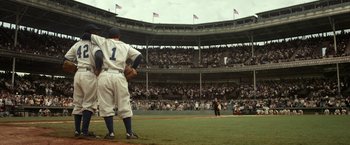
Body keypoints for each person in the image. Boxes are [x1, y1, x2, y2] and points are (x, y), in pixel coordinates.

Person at [83, 27, 142, 139]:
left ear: (108, 36)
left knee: (106, 105)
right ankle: (129, 133)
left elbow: (86, 35)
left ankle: (111, 133)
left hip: (104, 75)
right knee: (124, 104)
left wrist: (95, 38)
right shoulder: (125, 46)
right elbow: (139, 56)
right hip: (119, 75)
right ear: (119, 36)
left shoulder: (103, 41)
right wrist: (133, 68)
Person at [64, 24, 103, 138]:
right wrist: (98, 69)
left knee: (78, 104)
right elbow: (99, 57)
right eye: (96, 31)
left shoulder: (77, 44)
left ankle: (77, 131)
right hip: (89, 74)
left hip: (78, 74)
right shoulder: (94, 44)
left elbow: (66, 59)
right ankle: (84, 132)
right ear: (91, 32)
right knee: (89, 104)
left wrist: (75, 67)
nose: (97, 34)